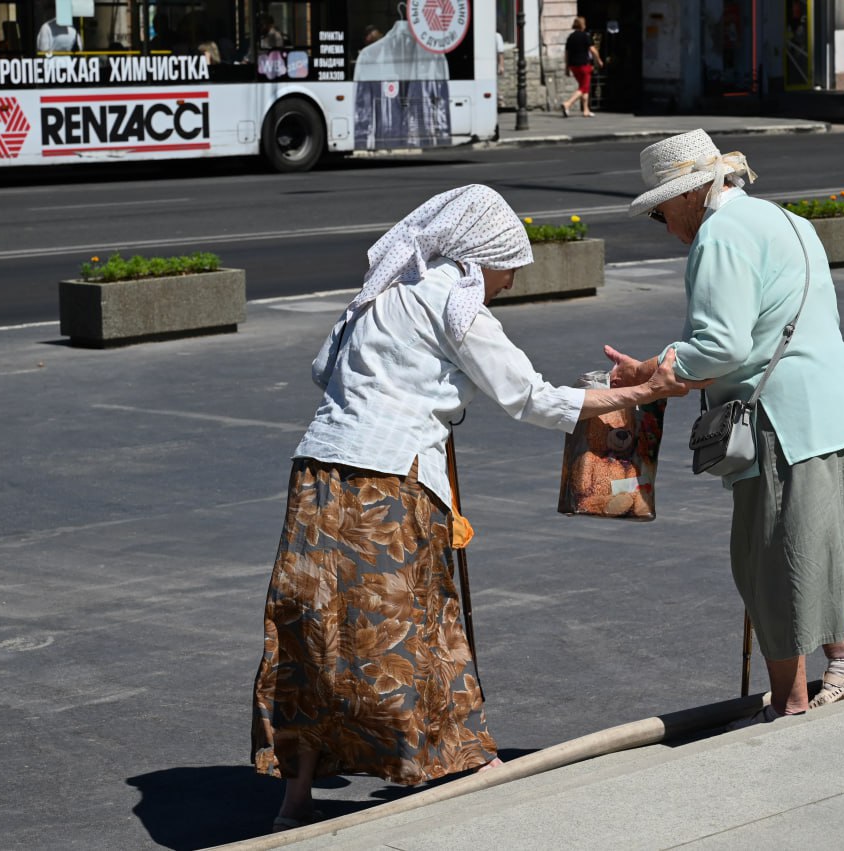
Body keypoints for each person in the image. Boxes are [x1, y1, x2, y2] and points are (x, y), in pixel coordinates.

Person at [251, 184, 700, 831]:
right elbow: (531, 398)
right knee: (411, 621)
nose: (509, 283)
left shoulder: (384, 291)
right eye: (509, 268)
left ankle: (295, 799)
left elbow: (326, 370)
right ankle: (462, 759)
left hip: (318, 472)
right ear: (481, 256)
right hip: (388, 479)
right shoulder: (454, 301)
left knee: (314, 628)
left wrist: (426, 385)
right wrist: (646, 389)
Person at [609, 130, 844, 728]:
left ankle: (790, 703)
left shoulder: (720, 233)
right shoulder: (785, 220)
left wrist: (651, 372)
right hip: (839, 405)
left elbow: (722, 346)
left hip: (785, 418)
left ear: (689, 195)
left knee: (769, 562)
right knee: (809, 550)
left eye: (660, 211)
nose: (665, 225)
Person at [561, 16, 602, 118]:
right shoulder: (585, 36)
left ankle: (586, 110)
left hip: (573, 66)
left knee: (583, 86)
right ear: (583, 25)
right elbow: (593, 50)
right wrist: (599, 60)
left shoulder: (570, 37)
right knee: (584, 87)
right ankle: (568, 103)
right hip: (584, 65)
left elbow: (567, 54)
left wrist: (566, 68)